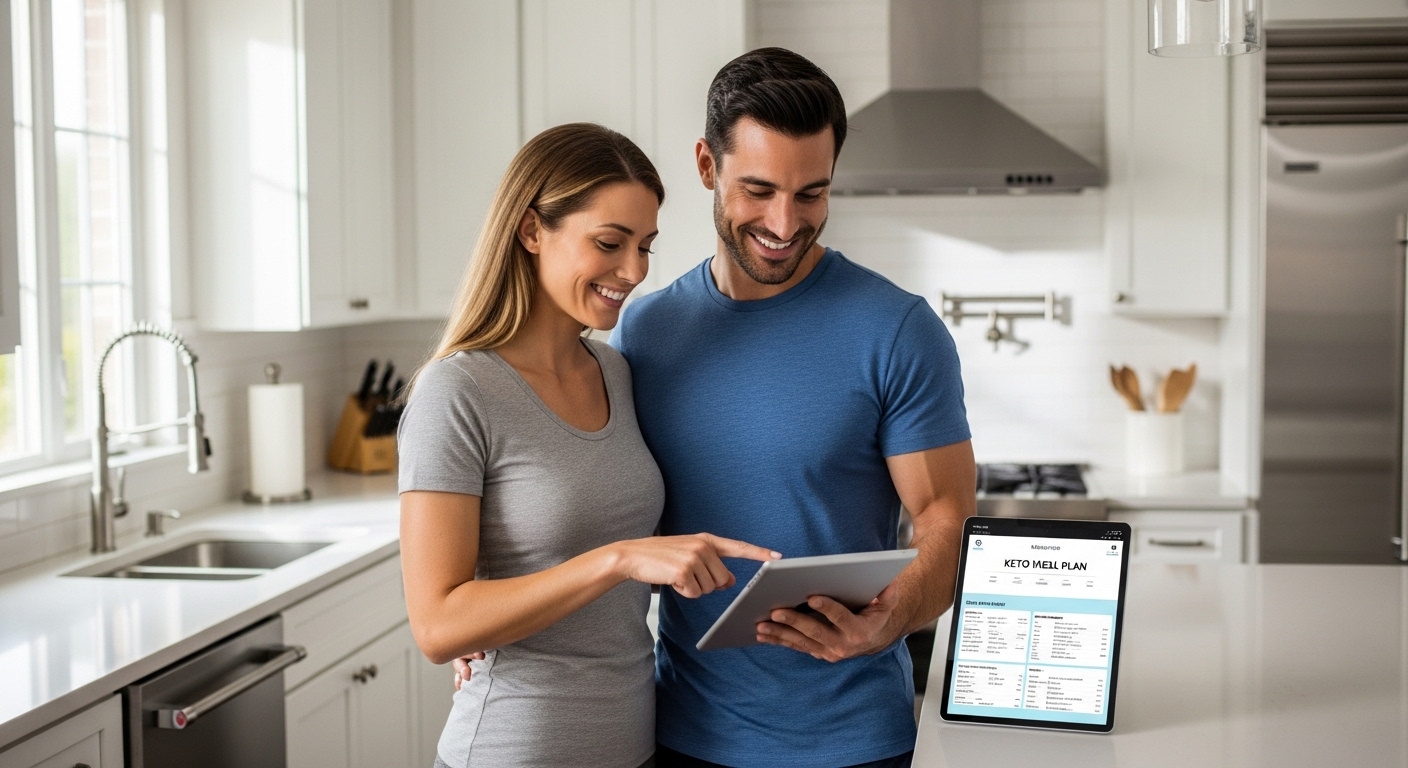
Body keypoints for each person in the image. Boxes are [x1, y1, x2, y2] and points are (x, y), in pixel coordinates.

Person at [610, 48, 976, 767]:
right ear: (707, 166)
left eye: (811, 194)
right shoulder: (643, 332)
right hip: (681, 736)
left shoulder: (897, 330)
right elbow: (594, 509)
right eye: (758, 190)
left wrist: (889, 619)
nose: (785, 223)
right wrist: (503, 629)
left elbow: (948, 518)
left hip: (856, 743)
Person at [398, 122, 779, 768]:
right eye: (609, 242)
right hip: (515, 750)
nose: (633, 271)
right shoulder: (457, 390)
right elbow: (438, 626)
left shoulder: (615, 372)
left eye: (645, 246)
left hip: (633, 744)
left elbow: (613, 562)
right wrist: (619, 560)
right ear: (531, 231)